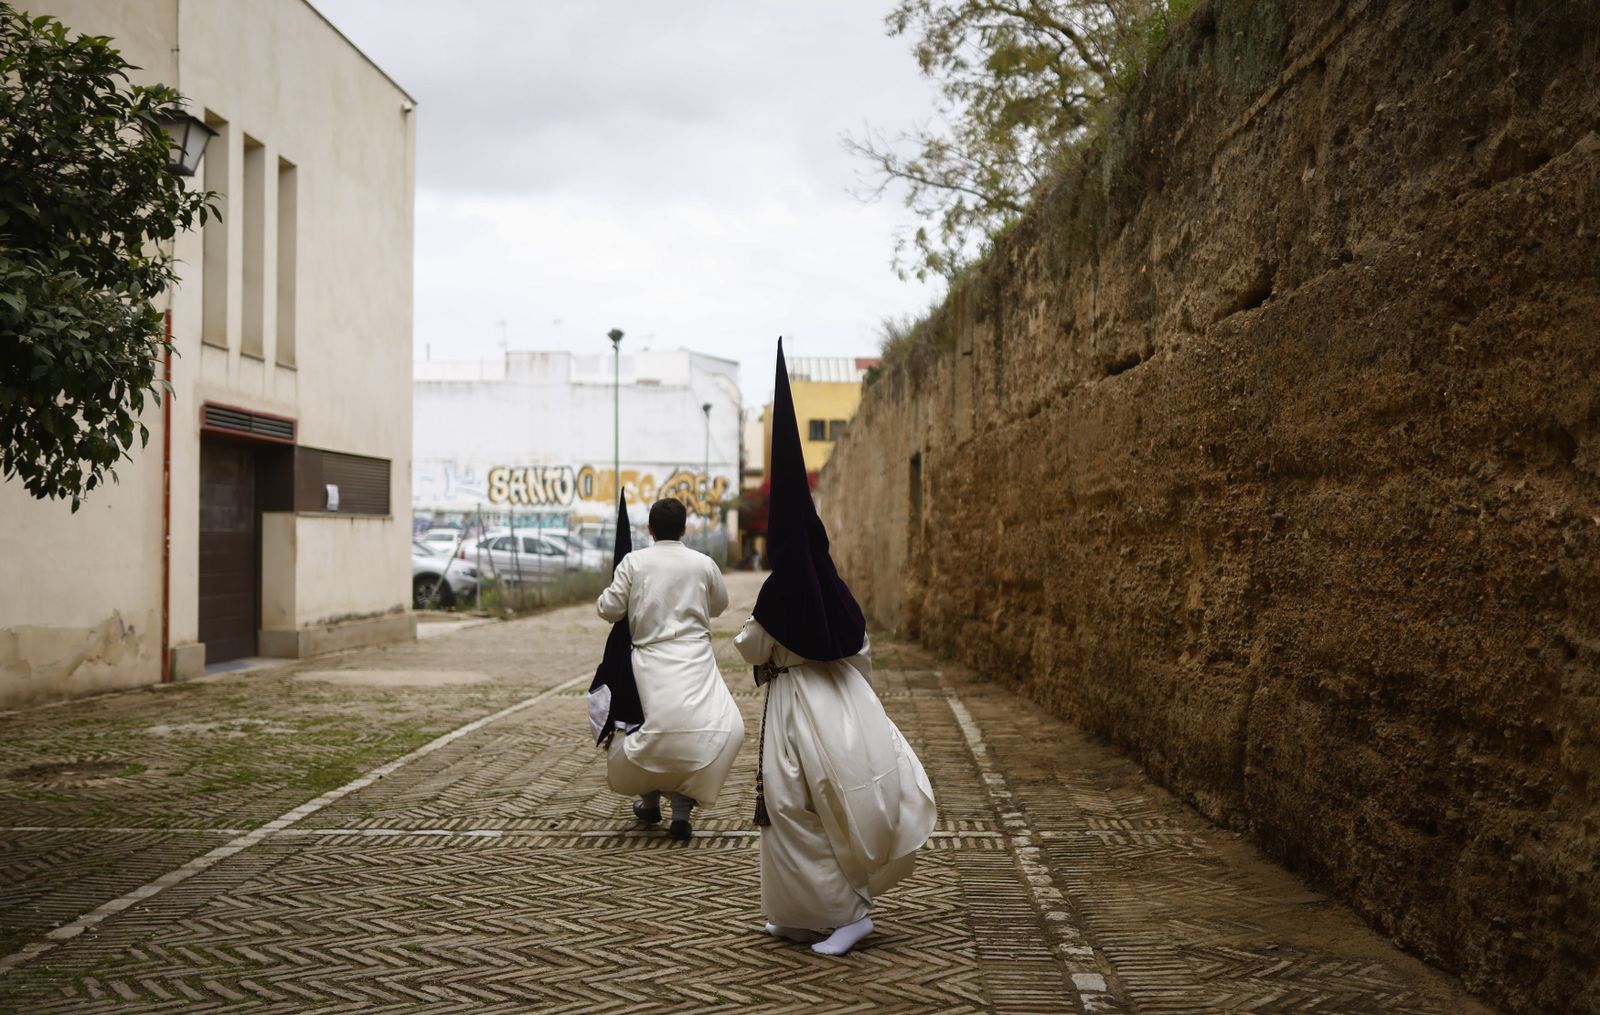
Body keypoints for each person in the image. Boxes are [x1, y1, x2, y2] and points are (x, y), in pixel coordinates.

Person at [733, 338, 936, 956]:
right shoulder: (832, 588)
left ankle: (850, 915)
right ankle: (796, 913)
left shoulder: (783, 591)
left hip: (802, 711)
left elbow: (752, 646)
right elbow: (859, 646)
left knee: (811, 808)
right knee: (793, 809)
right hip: (830, 703)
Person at [596, 497, 743, 842]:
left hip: (647, 662)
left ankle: (649, 803)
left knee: (643, 731)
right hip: (695, 661)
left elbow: (609, 608)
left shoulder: (633, 562)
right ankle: (680, 813)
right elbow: (719, 605)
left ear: (649, 529)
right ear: (684, 529)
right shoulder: (703, 563)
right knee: (693, 732)